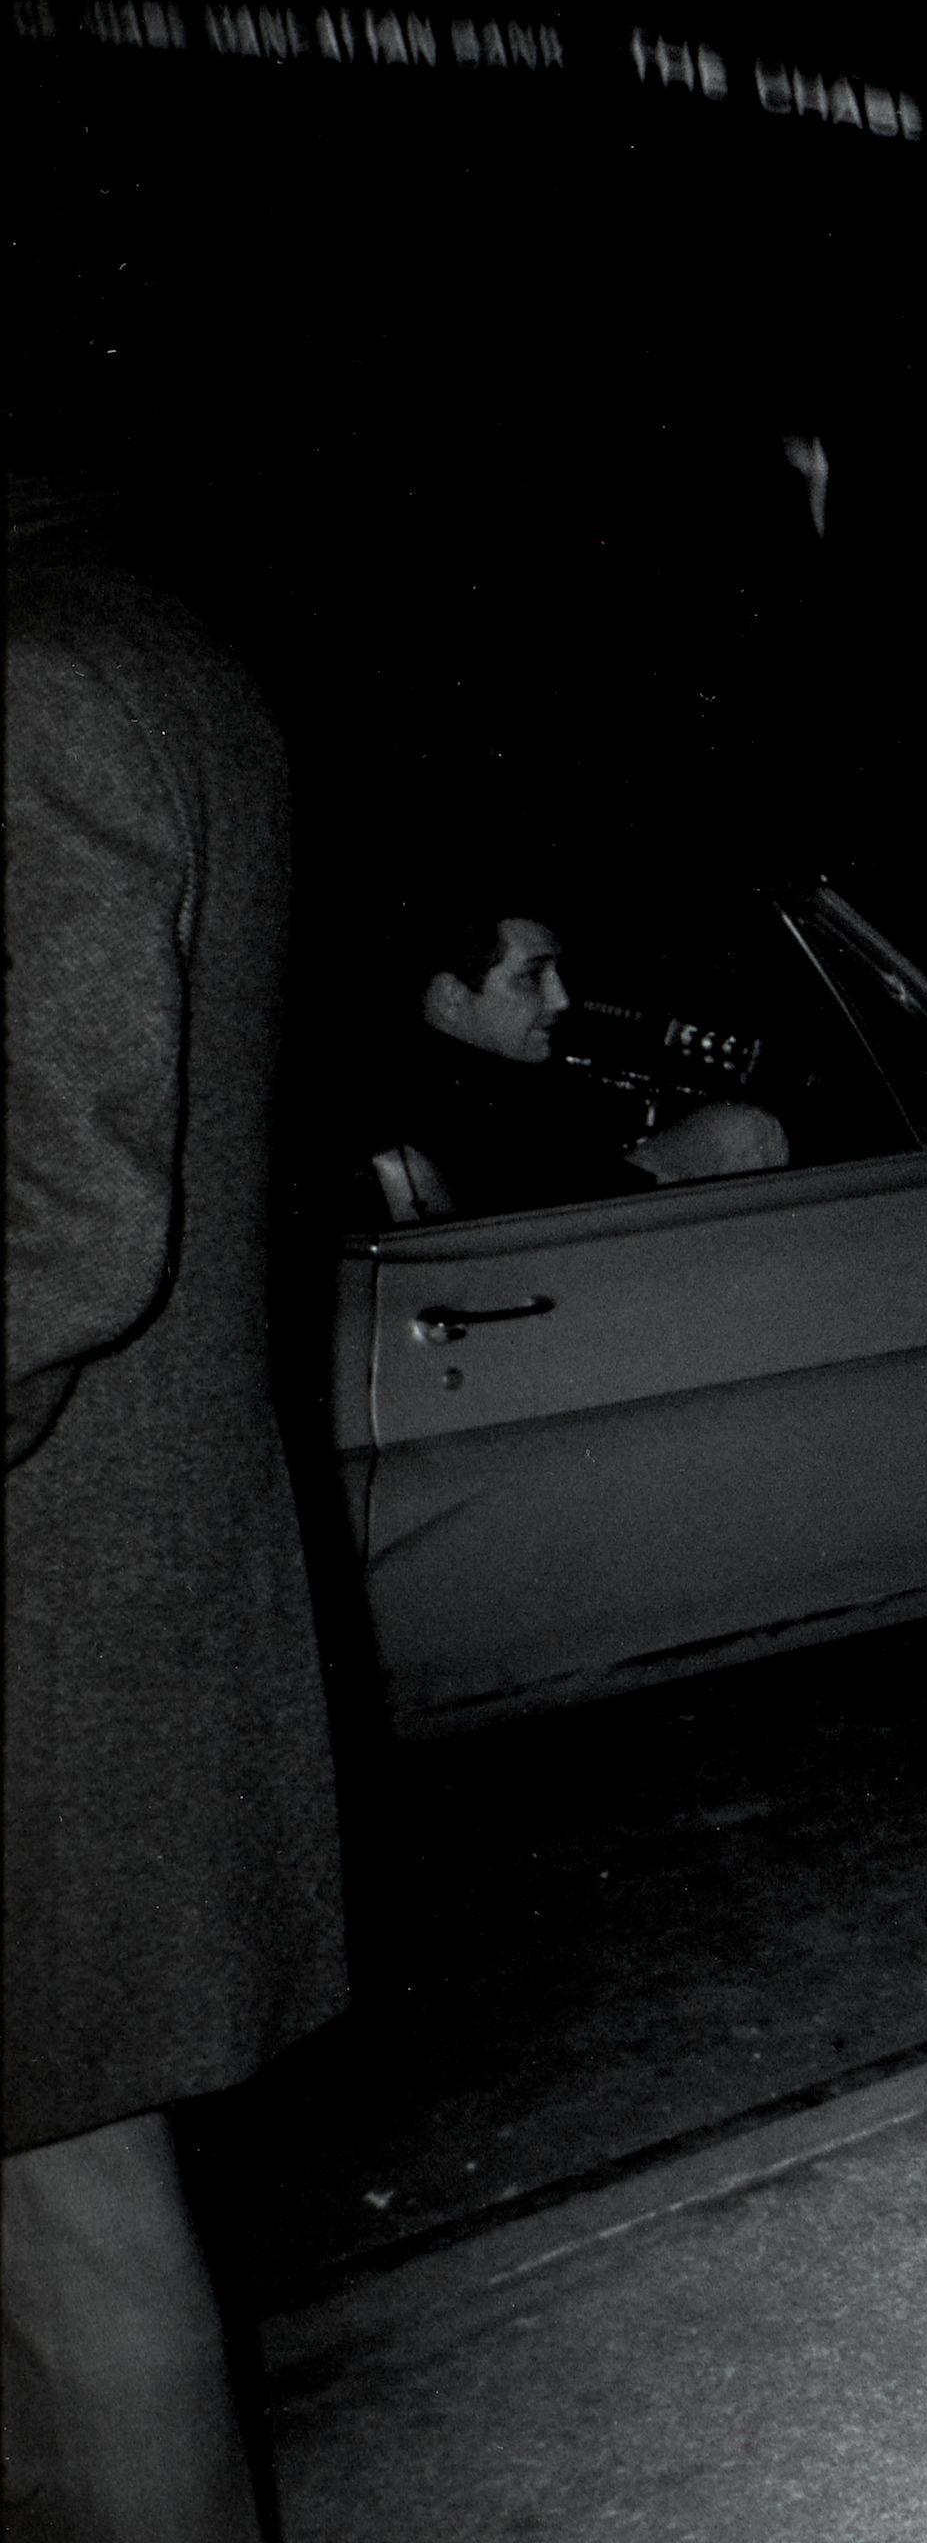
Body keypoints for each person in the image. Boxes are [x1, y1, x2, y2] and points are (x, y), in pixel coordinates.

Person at [7, 507, 348, 2543]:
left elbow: (61, 1220)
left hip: (51, 1589)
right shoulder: (159, 647)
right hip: (112, 1582)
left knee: (66, 2240)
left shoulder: (40, 678)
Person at [363, 908, 787, 1222]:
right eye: (532, 977)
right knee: (743, 1132)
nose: (560, 999)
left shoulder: (420, 1076)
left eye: (556, 974)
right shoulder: (470, 1103)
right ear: (452, 998)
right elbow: (597, 1203)